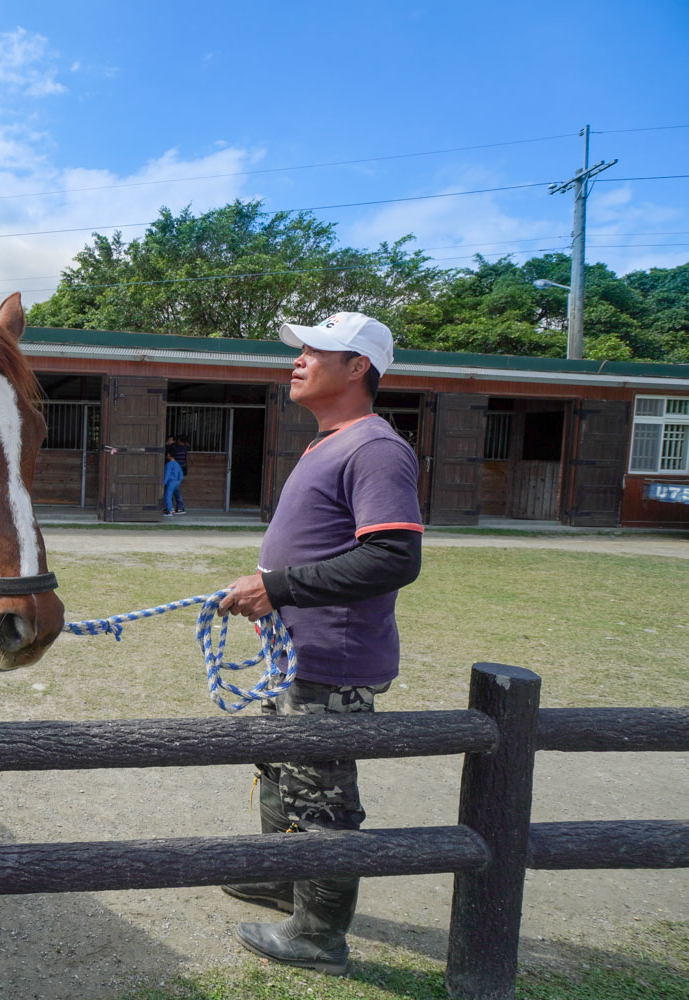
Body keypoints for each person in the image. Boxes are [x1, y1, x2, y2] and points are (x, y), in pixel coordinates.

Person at [216, 312, 423, 977]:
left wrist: (279, 588)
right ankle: (284, 880)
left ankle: (318, 937)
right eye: (300, 350)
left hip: (330, 666)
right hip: (294, 659)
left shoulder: (375, 448)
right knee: (279, 771)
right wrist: (273, 591)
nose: (298, 360)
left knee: (322, 799)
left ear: (358, 367)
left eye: (316, 350)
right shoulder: (329, 442)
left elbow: (394, 557)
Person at [165, 434, 188, 512]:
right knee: (174, 490)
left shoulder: (176, 448)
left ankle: (173, 507)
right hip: (178, 472)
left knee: (171, 491)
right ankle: (177, 506)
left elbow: (171, 453)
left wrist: (168, 445)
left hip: (175, 471)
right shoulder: (184, 448)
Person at [163, 451, 185, 516]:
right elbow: (181, 474)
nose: (166, 456)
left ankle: (169, 511)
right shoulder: (177, 464)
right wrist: (178, 481)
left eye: (166, 455)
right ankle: (180, 508)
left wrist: (164, 482)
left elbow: (167, 474)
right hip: (177, 482)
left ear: (169, 455)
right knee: (177, 495)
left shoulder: (168, 464)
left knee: (168, 496)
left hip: (171, 482)